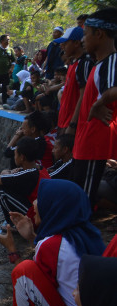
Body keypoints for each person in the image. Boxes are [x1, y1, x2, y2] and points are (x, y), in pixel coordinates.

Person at [72, 8, 117, 206]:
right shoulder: (99, 64)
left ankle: (78, 236)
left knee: (84, 201)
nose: (83, 39)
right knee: (79, 195)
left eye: (85, 33)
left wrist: (99, 103)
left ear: (99, 33)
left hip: (94, 145)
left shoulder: (112, 61)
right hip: (85, 143)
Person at [0, 137, 49, 225]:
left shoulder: (28, 174)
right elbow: (4, 173)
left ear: (22, 157)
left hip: (36, 215)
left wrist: (8, 174)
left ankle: (14, 223)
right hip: (43, 211)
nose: (14, 157)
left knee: (0, 189)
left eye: (15, 154)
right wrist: (9, 173)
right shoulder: (39, 168)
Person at [55, 26, 93, 134]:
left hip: (72, 125)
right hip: (63, 122)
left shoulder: (84, 63)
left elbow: (84, 95)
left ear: (76, 43)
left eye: (65, 43)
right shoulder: (72, 63)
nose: (62, 46)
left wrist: (73, 124)